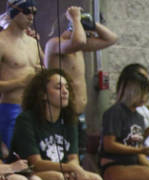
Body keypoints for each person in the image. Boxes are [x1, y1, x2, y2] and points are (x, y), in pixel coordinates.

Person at [42, 4, 116, 153]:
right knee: (62, 157)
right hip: (60, 113)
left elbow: (111, 39)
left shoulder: (79, 48)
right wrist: (75, 18)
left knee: (79, 155)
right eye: (85, 33)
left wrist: (93, 24)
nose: (88, 37)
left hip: (78, 114)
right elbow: (79, 41)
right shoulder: (55, 45)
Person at [10, 67, 102, 180]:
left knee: (96, 179)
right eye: (59, 87)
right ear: (43, 94)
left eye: (67, 87)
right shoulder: (26, 119)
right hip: (29, 173)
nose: (65, 91)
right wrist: (70, 169)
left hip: (63, 171)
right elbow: (36, 163)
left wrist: (74, 170)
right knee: (58, 178)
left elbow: (73, 157)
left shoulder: (70, 119)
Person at [0, 0, 43, 153]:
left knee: (33, 160)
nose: (31, 17)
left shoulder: (34, 43)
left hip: (34, 109)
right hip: (10, 108)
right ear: (13, 12)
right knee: (11, 157)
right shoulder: (2, 42)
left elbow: (43, 72)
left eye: (34, 12)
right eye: (26, 12)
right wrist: (21, 82)